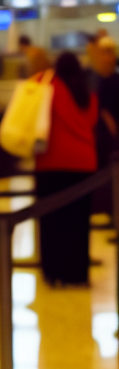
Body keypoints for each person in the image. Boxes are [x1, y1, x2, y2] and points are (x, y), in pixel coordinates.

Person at [35, 51, 99, 287]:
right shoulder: (87, 92)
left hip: (52, 163)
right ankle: (78, 273)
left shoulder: (49, 85)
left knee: (52, 222)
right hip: (84, 164)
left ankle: (54, 272)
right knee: (79, 223)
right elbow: (92, 120)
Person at [89, 37, 119, 166]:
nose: (108, 57)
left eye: (110, 52)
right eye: (105, 52)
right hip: (98, 135)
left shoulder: (114, 79)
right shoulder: (92, 79)